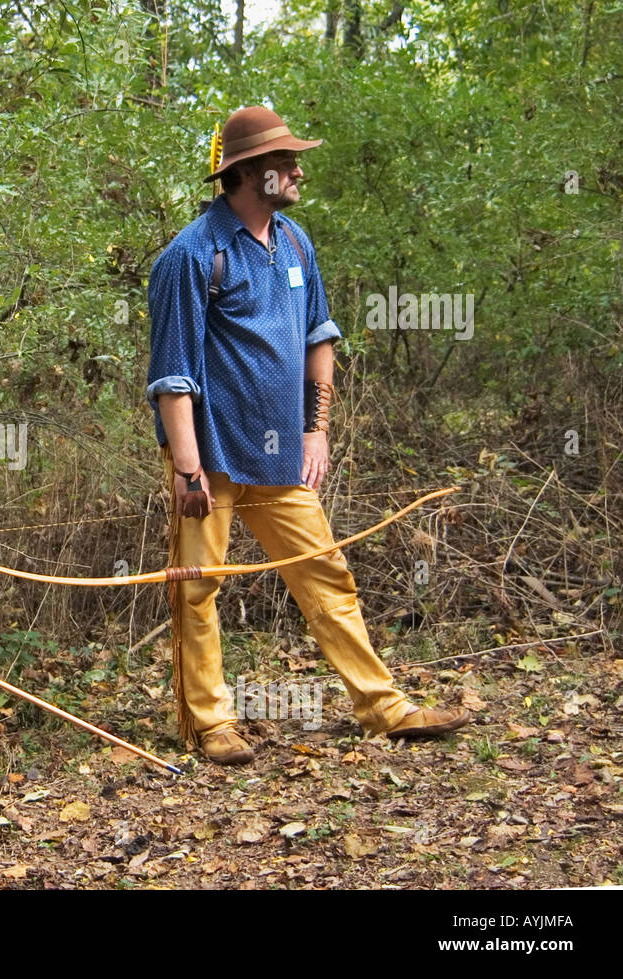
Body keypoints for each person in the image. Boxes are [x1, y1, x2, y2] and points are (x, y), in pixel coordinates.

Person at [146, 105, 469, 765]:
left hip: (281, 458)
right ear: (246, 173)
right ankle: (212, 725)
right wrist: (187, 470)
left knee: (325, 573)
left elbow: (321, 339)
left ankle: (382, 707)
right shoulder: (191, 255)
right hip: (211, 461)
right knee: (197, 586)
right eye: (284, 161)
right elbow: (172, 376)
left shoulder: (294, 243)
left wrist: (316, 431)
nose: (296, 170)